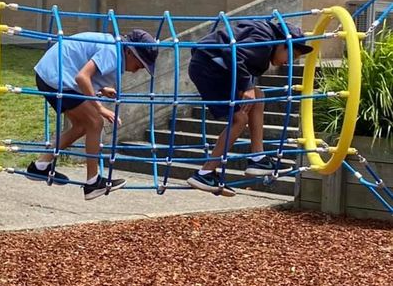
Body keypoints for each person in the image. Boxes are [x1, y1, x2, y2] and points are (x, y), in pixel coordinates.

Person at [28, 29, 158, 200]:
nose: (137, 70)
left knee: (83, 126)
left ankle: (40, 166)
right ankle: (92, 183)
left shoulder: (113, 48)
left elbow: (82, 65)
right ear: (129, 52)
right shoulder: (112, 51)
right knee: (96, 122)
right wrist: (100, 108)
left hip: (50, 74)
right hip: (56, 76)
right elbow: (82, 77)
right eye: (140, 64)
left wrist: (102, 89)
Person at [186, 20, 313, 195]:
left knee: (259, 96)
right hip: (209, 67)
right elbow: (232, 52)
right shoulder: (265, 41)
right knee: (240, 119)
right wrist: (246, 86)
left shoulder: (265, 37)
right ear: (283, 44)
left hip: (213, 64)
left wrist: (249, 87)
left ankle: (258, 158)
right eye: (290, 56)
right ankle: (205, 172)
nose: (288, 62)